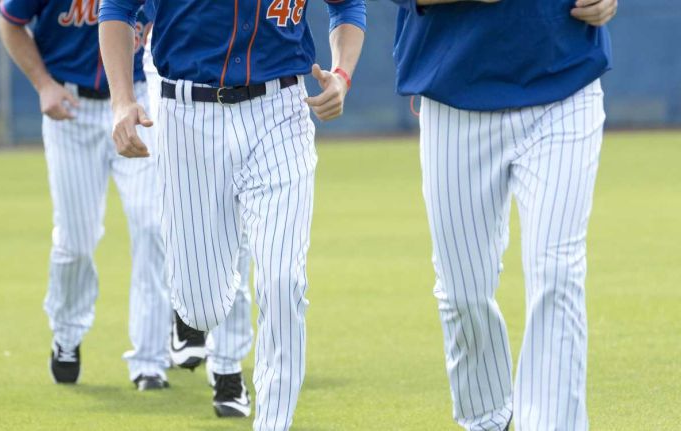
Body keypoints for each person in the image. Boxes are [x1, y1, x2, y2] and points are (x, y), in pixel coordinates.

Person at [97, 0, 366, 429]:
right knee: (201, 309)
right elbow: (117, 8)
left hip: (280, 109)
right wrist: (121, 101)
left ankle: (274, 421)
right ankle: (194, 305)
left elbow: (348, 7)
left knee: (284, 282)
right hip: (187, 114)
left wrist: (343, 73)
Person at [386, 0, 618, 429]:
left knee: (557, 273)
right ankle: (488, 418)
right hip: (454, 92)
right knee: (462, 293)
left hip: (565, 83)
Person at [0, 0, 170, 391]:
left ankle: (150, 360)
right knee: (75, 242)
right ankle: (67, 336)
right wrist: (43, 84)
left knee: (152, 227)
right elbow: (10, 22)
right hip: (71, 110)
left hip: (138, 102)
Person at [139, 1, 256, 417]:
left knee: (240, 225)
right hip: (172, 66)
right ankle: (185, 305)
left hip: (246, 73)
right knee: (182, 207)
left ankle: (227, 369)